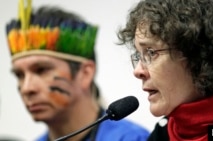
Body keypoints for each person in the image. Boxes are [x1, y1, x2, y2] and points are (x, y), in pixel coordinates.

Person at [5, 0, 150, 141]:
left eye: (41, 70)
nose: (27, 88)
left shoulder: (132, 138)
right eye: (19, 75)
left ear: (85, 73)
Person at [117, 0, 213, 140]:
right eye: (139, 55)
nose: (138, 71)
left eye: (151, 53)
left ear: (198, 54)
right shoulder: (164, 132)